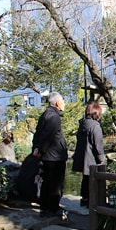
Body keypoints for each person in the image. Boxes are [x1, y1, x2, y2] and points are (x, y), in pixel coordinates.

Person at [32, 92, 68, 220]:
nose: (64, 103)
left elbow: (38, 134)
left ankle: (46, 209)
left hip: (48, 156)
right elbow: (47, 136)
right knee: (55, 184)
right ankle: (53, 209)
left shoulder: (45, 114)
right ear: (57, 103)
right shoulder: (54, 117)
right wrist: (40, 149)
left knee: (47, 183)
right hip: (54, 156)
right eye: (63, 101)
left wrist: (36, 148)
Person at [72, 101, 105, 207]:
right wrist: (101, 159)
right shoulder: (95, 127)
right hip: (92, 158)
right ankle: (93, 202)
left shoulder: (83, 124)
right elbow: (98, 145)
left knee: (85, 179)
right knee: (93, 180)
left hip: (83, 157)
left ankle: (85, 199)